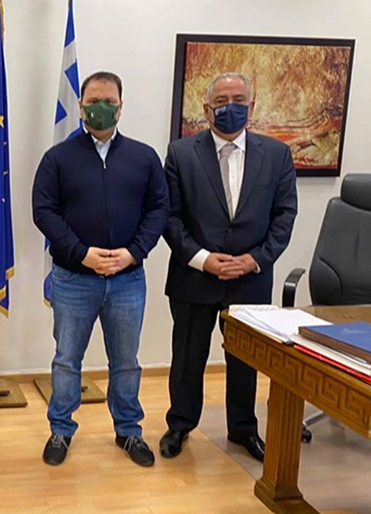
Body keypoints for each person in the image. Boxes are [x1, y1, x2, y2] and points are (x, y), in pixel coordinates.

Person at [32, 71, 169, 467]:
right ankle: (60, 429)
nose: (101, 108)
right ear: (80, 106)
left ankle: (128, 430)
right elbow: (44, 211)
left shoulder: (144, 157)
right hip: (73, 278)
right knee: (66, 359)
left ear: (121, 107)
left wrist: (133, 253)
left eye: (109, 101)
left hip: (128, 279)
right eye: (93, 102)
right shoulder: (58, 158)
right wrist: (81, 253)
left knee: (126, 361)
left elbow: (159, 208)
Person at [160, 72, 298, 462]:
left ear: (252, 106)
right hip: (194, 277)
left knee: (245, 361)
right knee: (188, 358)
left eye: (239, 99)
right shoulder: (180, 154)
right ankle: (180, 424)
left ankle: (243, 429)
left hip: (249, 280)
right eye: (221, 100)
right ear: (206, 109)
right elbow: (169, 217)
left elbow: (285, 216)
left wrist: (255, 260)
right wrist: (204, 260)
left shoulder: (277, 155)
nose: (230, 107)